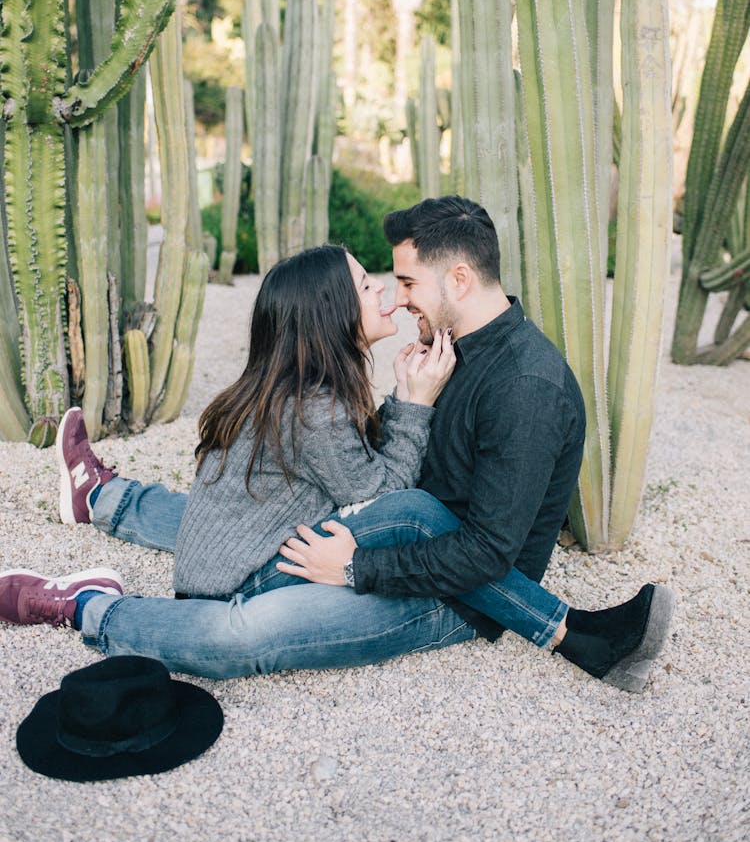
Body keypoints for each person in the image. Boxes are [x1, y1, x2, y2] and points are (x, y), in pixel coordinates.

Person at [0, 199, 674, 693]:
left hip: (455, 588)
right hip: (395, 531)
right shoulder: (450, 348)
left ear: (459, 281)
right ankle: (105, 499)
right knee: (248, 510)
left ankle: (82, 607)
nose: (396, 296)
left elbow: (486, 553)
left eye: (407, 283)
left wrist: (355, 567)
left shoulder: (525, 387)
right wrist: (393, 429)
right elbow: (380, 472)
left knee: (247, 634)